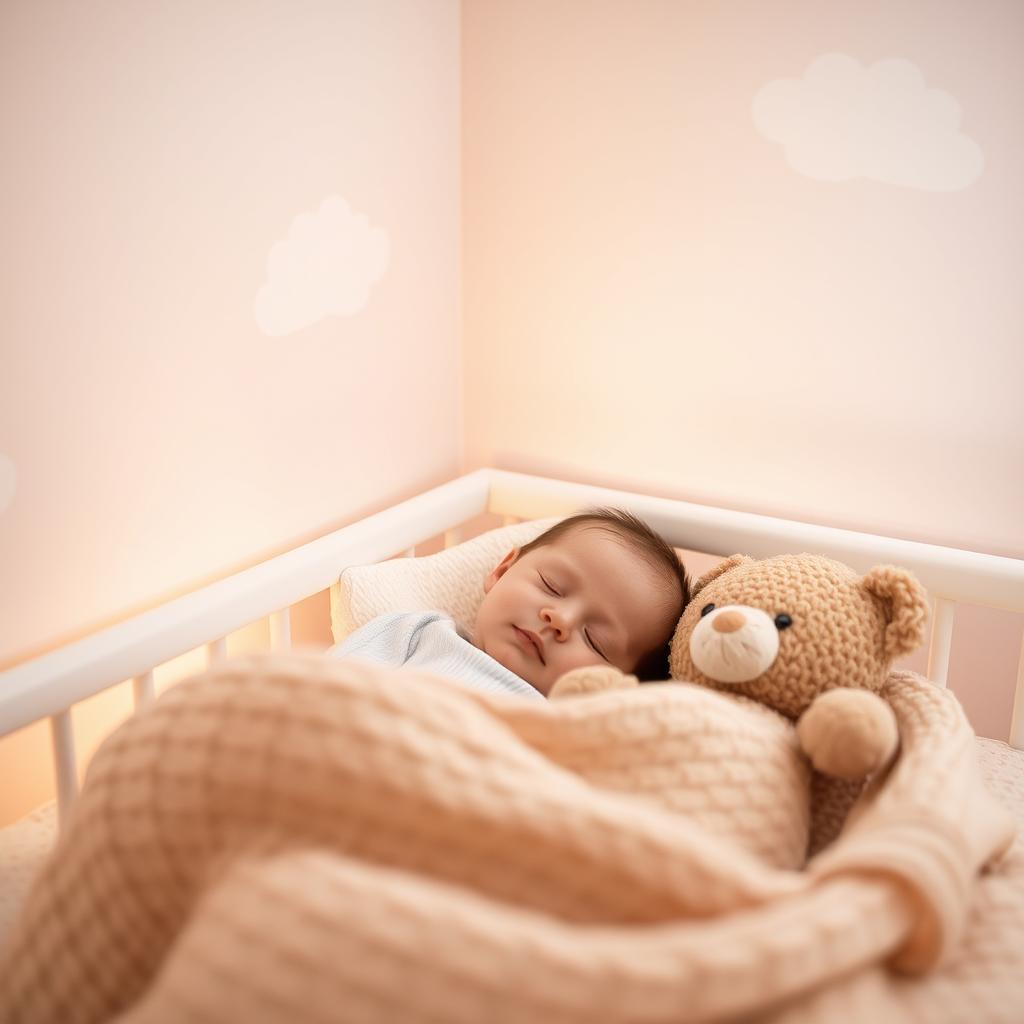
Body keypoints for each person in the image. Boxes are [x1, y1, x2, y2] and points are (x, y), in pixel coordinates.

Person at [332, 507, 691, 700]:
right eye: (552, 586)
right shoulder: (416, 632)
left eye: (596, 640)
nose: (559, 619)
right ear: (503, 570)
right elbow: (323, 688)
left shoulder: (568, 727)